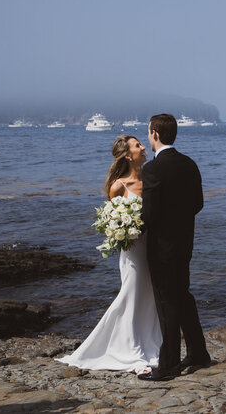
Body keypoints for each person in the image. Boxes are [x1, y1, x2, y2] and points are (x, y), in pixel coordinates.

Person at [56, 135, 162, 375]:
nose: (144, 147)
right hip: (133, 251)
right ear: (127, 155)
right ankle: (133, 352)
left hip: (154, 247)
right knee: (131, 295)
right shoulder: (118, 186)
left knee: (151, 297)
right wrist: (124, 230)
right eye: (138, 146)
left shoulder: (152, 178)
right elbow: (110, 221)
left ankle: (153, 344)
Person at [139, 113, 210, 381]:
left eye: (148, 132)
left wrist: (131, 233)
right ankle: (199, 353)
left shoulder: (152, 169)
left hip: (162, 247)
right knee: (183, 297)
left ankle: (168, 365)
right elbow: (198, 204)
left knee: (167, 303)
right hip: (185, 243)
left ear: (155, 133)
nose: (148, 137)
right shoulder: (189, 164)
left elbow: (149, 214)